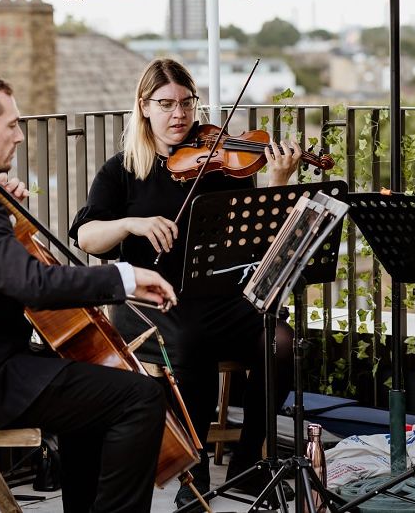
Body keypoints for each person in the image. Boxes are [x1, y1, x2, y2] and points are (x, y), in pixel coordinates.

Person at [0, 70, 178, 513]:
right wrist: (124, 277)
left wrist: (0, 213)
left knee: (94, 391)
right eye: (11, 125)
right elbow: (33, 284)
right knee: (140, 396)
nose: (21, 136)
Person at [69, 58, 301, 507]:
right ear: (144, 106)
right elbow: (86, 235)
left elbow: (258, 237)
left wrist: (277, 180)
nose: (179, 114)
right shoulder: (122, 171)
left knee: (280, 343)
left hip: (219, 296)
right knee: (194, 342)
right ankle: (194, 480)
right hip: (150, 300)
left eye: (187, 103)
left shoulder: (220, 166)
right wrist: (131, 224)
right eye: (166, 104)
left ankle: (248, 466)